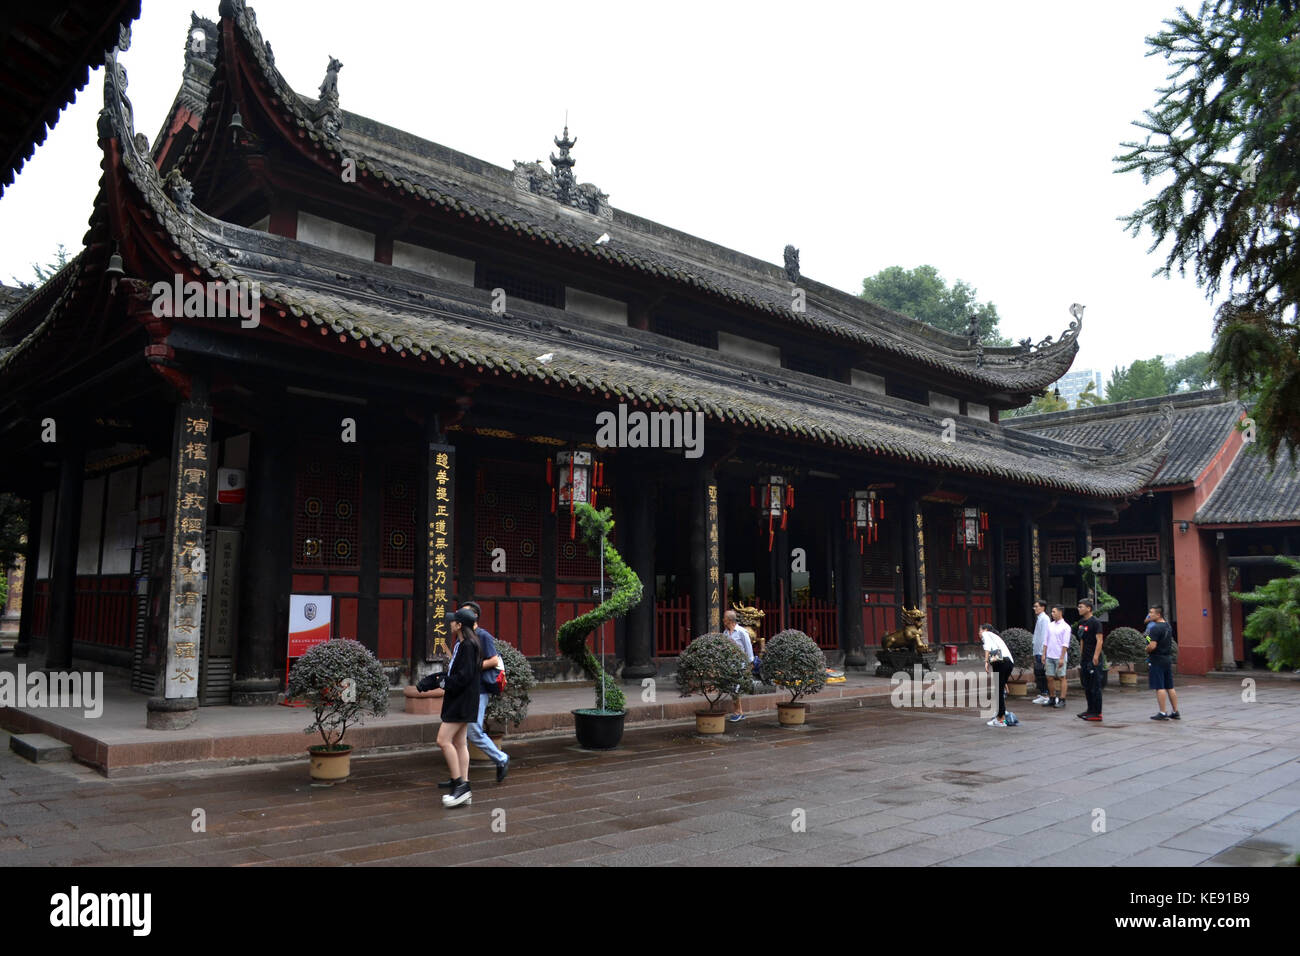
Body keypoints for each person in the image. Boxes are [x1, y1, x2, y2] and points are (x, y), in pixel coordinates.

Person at [458, 601, 510, 783]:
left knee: (473, 731)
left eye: (462, 615)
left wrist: (473, 667)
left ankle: (501, 758)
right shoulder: (463, 637)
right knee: (459, 732)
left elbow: (494, 660)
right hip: (465, 690)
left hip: (479, 691)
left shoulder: (482, 635)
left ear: (473, 617)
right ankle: (458, 776)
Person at [437, 608, 482, 808]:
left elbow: (463, 677)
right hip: (465, 700)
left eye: (453, 621)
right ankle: (465, 786)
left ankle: (459, 785)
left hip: (461, 701)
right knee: (459, 742)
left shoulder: (467, 646)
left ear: (460, 625)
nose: (450, 623)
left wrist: (443, 682)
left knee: (443, 740)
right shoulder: (466, 644)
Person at [1145, 605, 1180, 721]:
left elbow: (1152, 645)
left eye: (1151, 613)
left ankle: (1163, 712)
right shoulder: (1168, 626)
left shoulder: (1155, 628)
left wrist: (1147, 649)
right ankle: (1175, 711)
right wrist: (1148, 639)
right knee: (1170, 686)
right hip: (1167, 658)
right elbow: (1152, 639)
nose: (1149, 615)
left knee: (1159, 686)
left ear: (1158, 614)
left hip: (1157, 659)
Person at [979, 623, 1015, 727]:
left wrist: (986, 661)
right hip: (1007, 662)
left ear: (985, 629)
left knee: (998, 692)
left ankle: (1001, 719)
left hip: (1001, 662)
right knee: (999, 690)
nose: (979, 633)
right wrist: (1004, 683)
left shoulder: (986, 634)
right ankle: (1000, 714)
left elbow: (987, 647)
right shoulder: (996, 638)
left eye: (979, 630)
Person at [1075, 598, 1104, 722]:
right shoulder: (1082, 622)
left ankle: (1097, 713)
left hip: (1094, 659)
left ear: (1089, 608)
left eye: (1081, 606)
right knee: (1087, 686)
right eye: (1078, 606)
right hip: (1085, 658)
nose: (1079, 609)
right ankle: (1090, 710)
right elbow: (1081, 640)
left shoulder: (1096, 622)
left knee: (1095, 687)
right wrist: (1081, 656)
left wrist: (1095, 657)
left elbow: (1100, 640)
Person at [722, 609, 753, 722]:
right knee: (733, 688)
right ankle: (740, 712)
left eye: (724, 618)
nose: (723, 620)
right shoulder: (725, 633)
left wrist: (750, 664)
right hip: (730, 665)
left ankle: (737, 712)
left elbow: (748, 648)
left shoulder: (741, 632)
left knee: (736, 689)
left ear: (729, 620)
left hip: (740, 664)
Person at [1041, 604, 1070, 709]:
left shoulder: (1066, 627)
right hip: (1049, 655)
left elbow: (1065, 644)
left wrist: (1062, 657)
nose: (1052, 614)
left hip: (1059, 656)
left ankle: (1062, 699)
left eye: (1054, 612)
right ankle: (1052, 698)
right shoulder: (1050, 625)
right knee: (1049, 677)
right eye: (1052, 612)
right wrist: (1044, 654)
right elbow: (1045, 640)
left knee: (1062, 677)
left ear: (1060, 612)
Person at [1031, 599, 1051, 704]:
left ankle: (1046, 694)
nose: (1035, 608)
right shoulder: (1040, 618)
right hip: (1038, 650)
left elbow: (1044, 637)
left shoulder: (1045, 619)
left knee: (1042, 673)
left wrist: (1043, 652)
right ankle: (1043, 693)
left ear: (1042, 607)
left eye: (1036, 606)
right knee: (1038, 673)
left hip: (1041, 651)